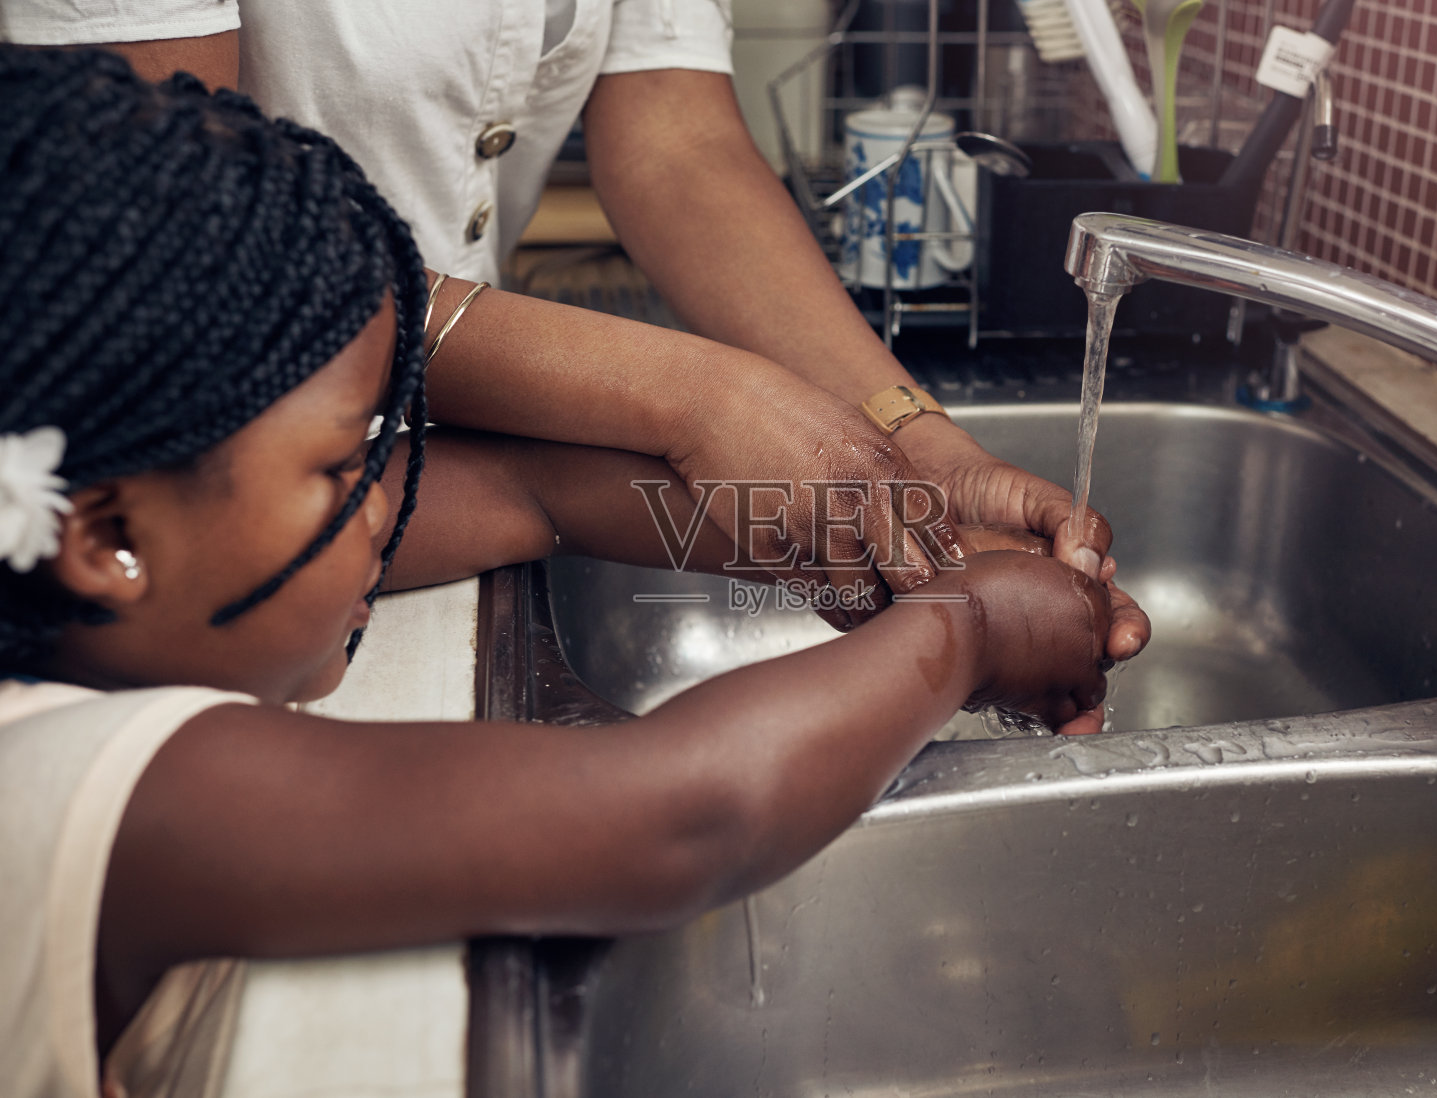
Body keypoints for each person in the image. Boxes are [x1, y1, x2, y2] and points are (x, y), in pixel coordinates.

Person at [0, 48, 1122, 1098]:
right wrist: (963, 630)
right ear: (104, 542)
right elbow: (686, 817)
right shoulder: (100, 785)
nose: (391, 497)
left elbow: (533, 499)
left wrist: (891, 527)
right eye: (351, 461)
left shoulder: (104, 632)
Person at [0, 0, 1154, 649]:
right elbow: (172, 222)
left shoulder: (442, 503)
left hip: (398, 480)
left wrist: (915, 458)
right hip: (215, 493)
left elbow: (677, 143)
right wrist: (694, 395)